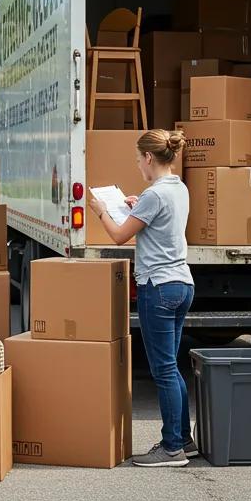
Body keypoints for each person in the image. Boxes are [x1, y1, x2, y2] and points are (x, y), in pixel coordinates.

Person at [88, 128, 196, 468]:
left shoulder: (154, 195)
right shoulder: (178, 188)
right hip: (182, 284)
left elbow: (120, 236)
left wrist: (101, 210)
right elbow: (158, 222)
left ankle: (171, 448)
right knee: (172, 367)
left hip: (158, 287)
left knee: (162, 370)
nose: (138, 166)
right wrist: (137, 206)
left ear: (149, 158)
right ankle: (184, 440)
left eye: (138, 159)